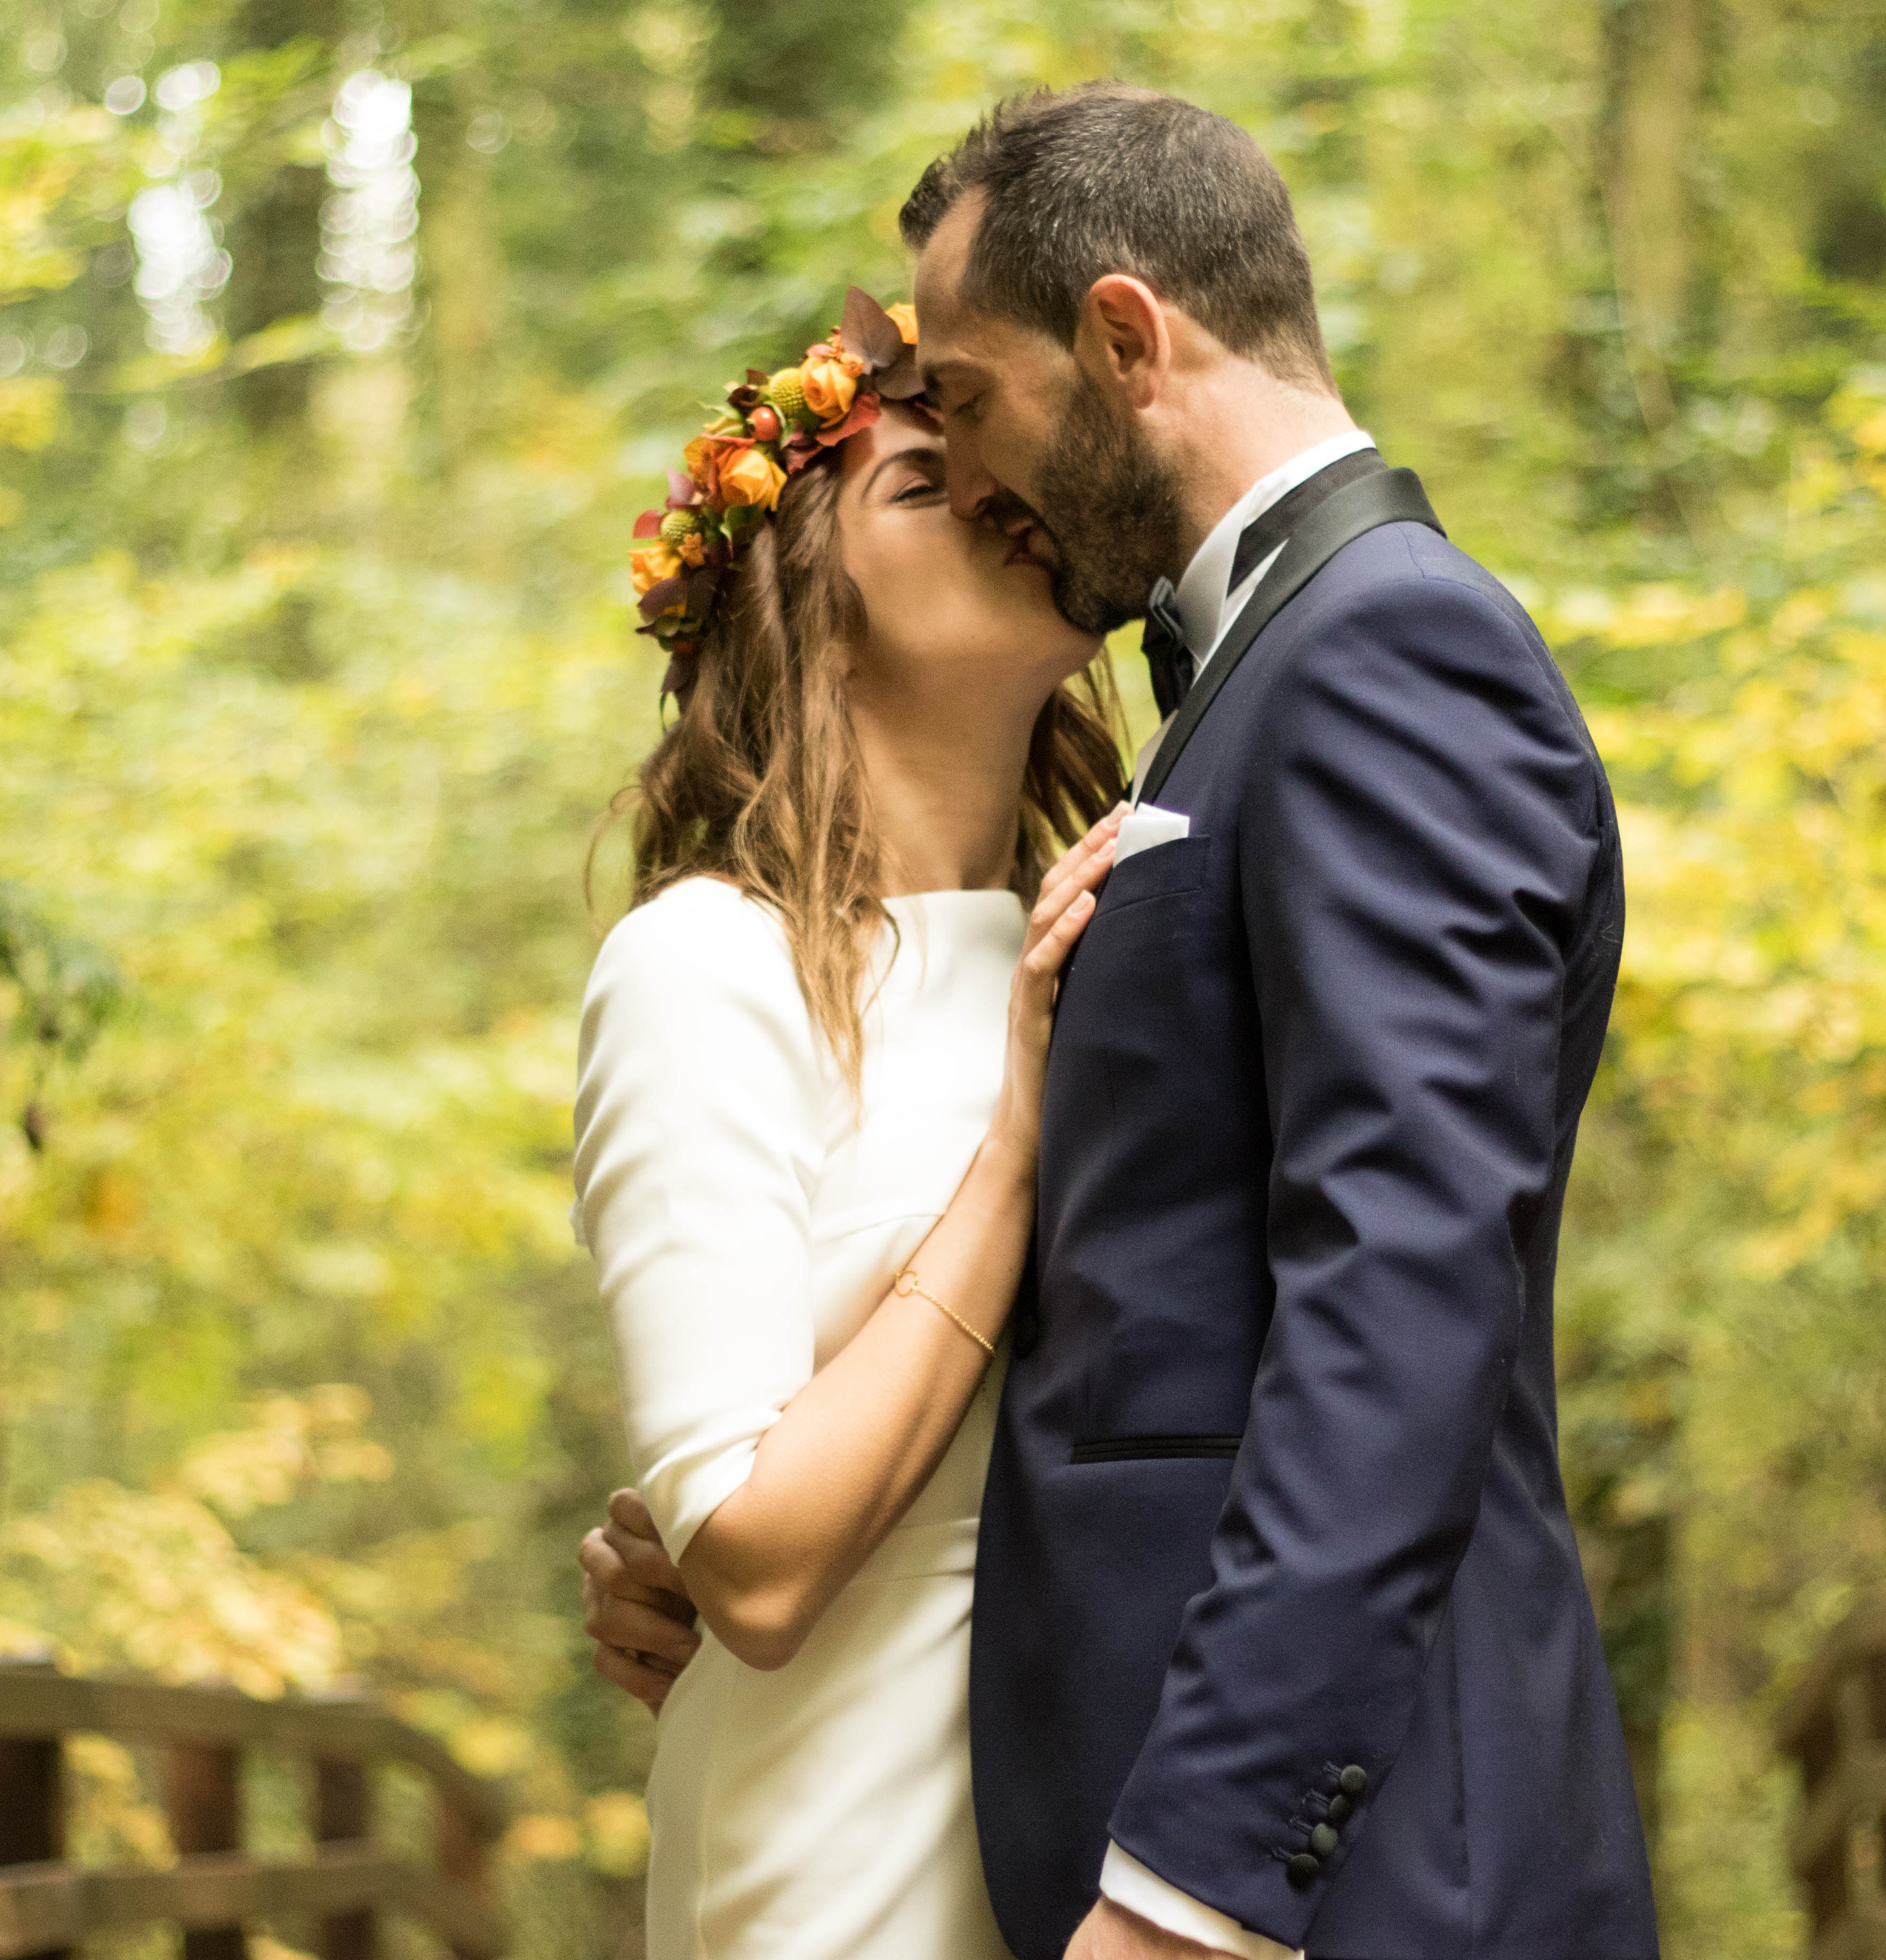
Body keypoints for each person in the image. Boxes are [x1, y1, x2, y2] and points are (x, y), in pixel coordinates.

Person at [583, 84, 1663, 1960]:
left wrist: (1191, 1894)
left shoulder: (1375, 652)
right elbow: (1144, 1311)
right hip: (995, 1826)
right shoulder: (1203, 737)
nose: (974, 466)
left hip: (1308, 1867)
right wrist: (692, 1515)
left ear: (1122, 343)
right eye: (922, 459)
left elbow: (1400, 1295)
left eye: (967, 401)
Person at [574, 287, 1129, 1959]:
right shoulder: (706, 966)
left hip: (1110, 1866)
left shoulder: (1113, 937)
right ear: (810, 619)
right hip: (833, 1874)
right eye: (921, 483)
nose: (994, 497)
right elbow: (748, 1565)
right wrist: (1016, 1154)